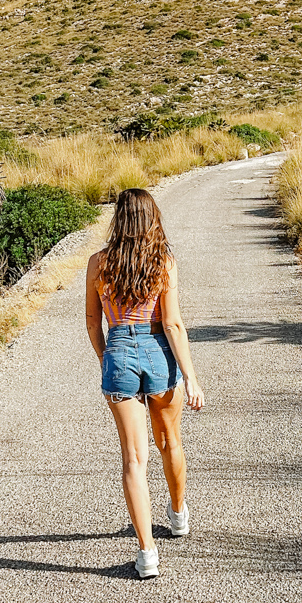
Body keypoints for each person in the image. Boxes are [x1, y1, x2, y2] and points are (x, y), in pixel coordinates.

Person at [86, 188, 205, 579]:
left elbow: (92, 322)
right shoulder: (163, 262)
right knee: (169, 440)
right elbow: (172, 323)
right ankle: (177, 514)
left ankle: (147, 554)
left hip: (119, 348)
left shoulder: (97, 264)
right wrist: (190, 377)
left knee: (134, 460)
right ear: (151, 216)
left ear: (119, 219)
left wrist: (109, 360)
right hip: (158, 351)